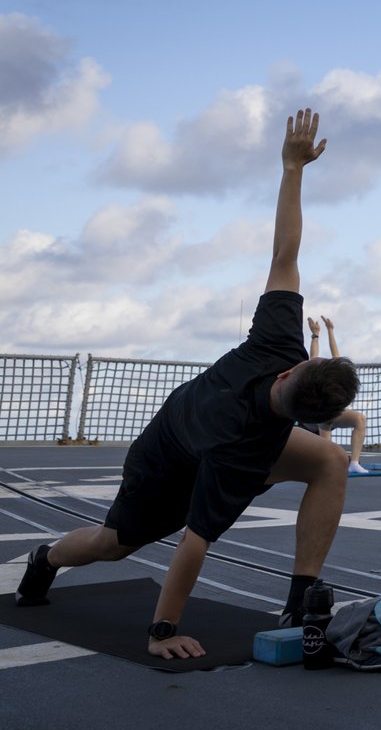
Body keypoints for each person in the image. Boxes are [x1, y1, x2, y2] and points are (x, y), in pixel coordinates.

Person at [16, 109, 360, 660]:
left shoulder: (279, 347)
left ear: (294, 371)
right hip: (165, 459)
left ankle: (301, 596)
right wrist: (163, 631)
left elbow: (285, 255)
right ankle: (45, 559)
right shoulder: (241, 450)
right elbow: (194, 543)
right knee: (113, 545)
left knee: (328, 462)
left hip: (227, 436)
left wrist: (292, 168)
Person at [308, 315, 370, 475]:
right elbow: (313, 357)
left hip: (332, 415)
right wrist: (315, 335)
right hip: (314, 418)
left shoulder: (337, 374)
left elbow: (337, 356)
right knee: (326, 444)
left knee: (359, 419)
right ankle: (324, 463)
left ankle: (354, 462)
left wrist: (330, 330)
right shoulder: (316, 375)